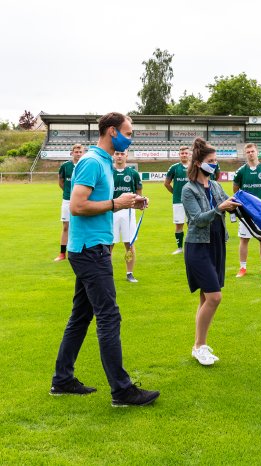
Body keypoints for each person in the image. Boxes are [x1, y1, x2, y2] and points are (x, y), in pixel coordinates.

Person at [50, 112, 159, 407]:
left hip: (91, 248)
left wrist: (129, 201)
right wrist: (115, 203)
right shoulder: (91, 161)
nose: (131, 136)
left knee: (82, 316)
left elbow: (97, 202)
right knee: (109, 316)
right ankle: (122, 391)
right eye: (128, 131)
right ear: (112, 131)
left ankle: (62, 380)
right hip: (89, 251)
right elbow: (77, 206)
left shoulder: (105, 162)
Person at [182, 138, 239, 366]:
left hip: (217, 244)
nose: (214, 165)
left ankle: (200, 344)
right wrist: (220, 209)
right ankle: (198, 346)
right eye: (210, 161)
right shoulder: (188, 189)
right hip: (198, 246)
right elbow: (197, 220)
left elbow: (229, 202)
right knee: (215, 297)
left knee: (206, 297)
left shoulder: (214, 185)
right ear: (197, 163)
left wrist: (240, 204)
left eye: (215, 161)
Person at [232, 143, 261, 277]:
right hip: (245, 212)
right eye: (248, 152)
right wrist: (247, 203)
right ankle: (243, 268)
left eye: (253, 151)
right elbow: (236, 190)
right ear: (245, 154)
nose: (251, 153)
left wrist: (258, 202)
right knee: (244, 240)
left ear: (257, 152)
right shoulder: (241, 171)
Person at [111, 150, 142, 283]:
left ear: (126, 156)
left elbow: (139, 194)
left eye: (122, 154)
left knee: (129, 244)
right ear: (113, 155)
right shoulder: (108, 172)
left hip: (128, 212)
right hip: (111, 211)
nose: (119, 156)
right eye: (117, 153)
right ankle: (107, 274)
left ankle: (130, 273)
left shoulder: (133, 173)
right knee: (108, 244)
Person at [54, 144, 84, 261]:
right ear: (72, 153)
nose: (78, 153)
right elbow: (61, 182)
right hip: (67, 200)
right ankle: (62, 254)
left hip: (82, 201)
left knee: (81, 226)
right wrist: (68, 193)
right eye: (76, 151)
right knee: (66, 226)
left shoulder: (86, 165)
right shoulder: (65, 166)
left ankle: (81, 253)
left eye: (80, 151)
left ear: (83, 153)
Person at [164, 147, 191, 254]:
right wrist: (175, 192)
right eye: (182, 153)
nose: (184, 155)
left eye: (186, 153)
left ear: (189, 154)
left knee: (192, 225)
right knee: (179, 224)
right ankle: (180, 248)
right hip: (178, 201)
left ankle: (191, 247)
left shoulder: (194, 167)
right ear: (179, 155)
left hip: (192, 201)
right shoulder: (174, 168)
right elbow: (166, 183)